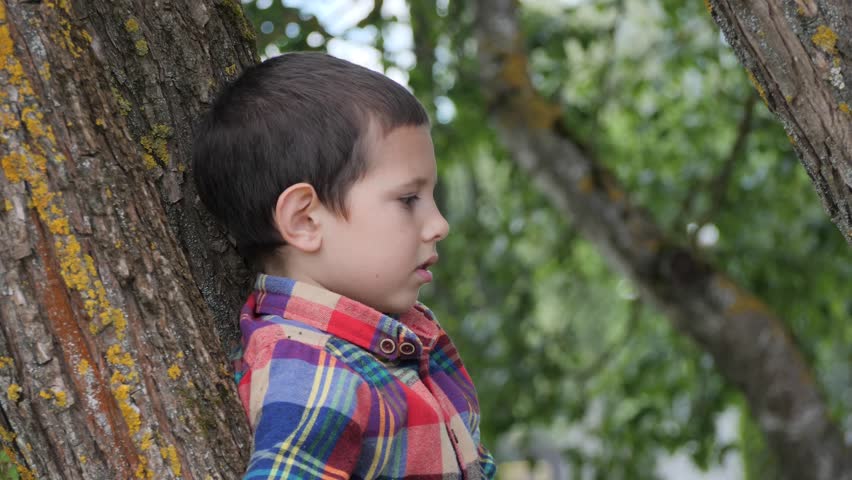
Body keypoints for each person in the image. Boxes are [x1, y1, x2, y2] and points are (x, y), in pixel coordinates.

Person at [193, 51, 496, 479]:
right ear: (305, 220)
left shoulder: (384, 344)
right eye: (408, 199)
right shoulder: (312, 370)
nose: (439, 224)